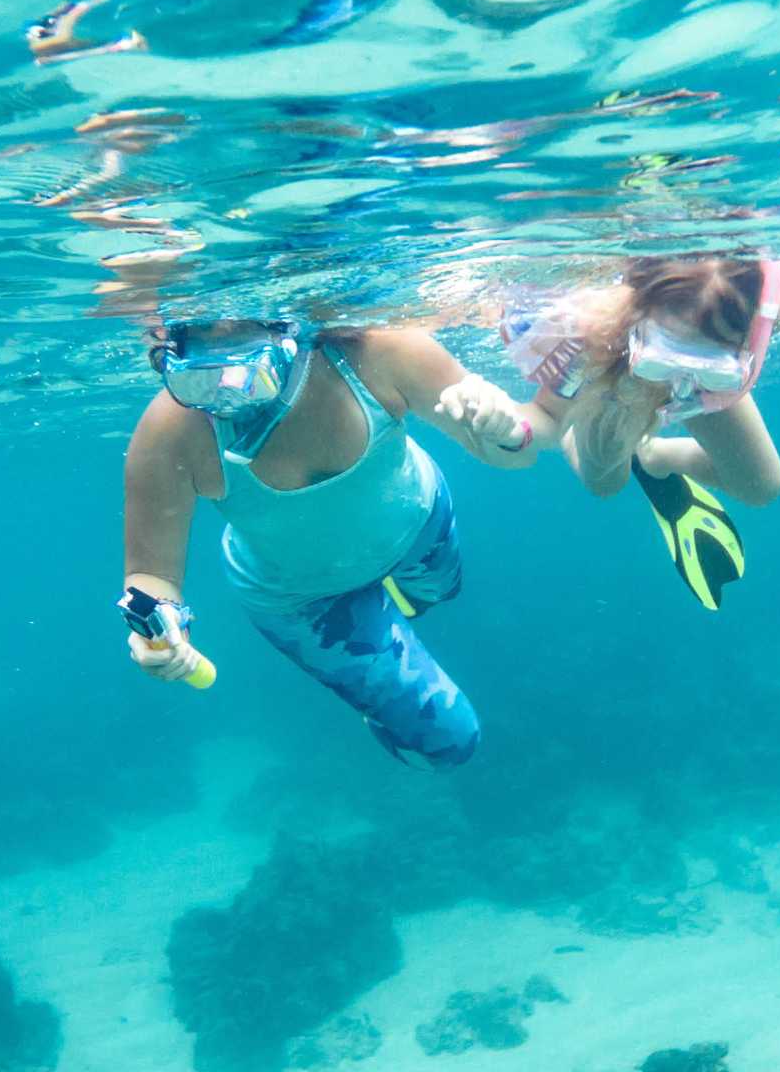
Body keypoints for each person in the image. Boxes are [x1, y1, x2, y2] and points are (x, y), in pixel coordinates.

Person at [119, 317, 554, 769]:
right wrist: (158, 627)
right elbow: (150, 576)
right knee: (449, 743)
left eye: (248, 370)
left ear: (290, 334)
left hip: (418, 526)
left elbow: (519, 456)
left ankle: (395, 620)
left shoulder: (381, 351)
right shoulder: (170, 433)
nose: (227, 395)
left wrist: (506, 430)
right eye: (199, 378)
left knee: (440, 594)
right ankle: (379, 698)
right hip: (302, 601)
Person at [453, 247, 780, 610]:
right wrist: (510, 425)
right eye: (664, 361)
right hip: (615, 389)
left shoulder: (755, 309)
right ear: (635, 319)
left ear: (747, 334)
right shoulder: (588, 334)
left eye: (710, 366)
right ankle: (610, 435)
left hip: (704, 400)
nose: (676, 381)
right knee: (605, 483)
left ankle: (652, 457)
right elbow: (548, 419)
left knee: (762, 486)